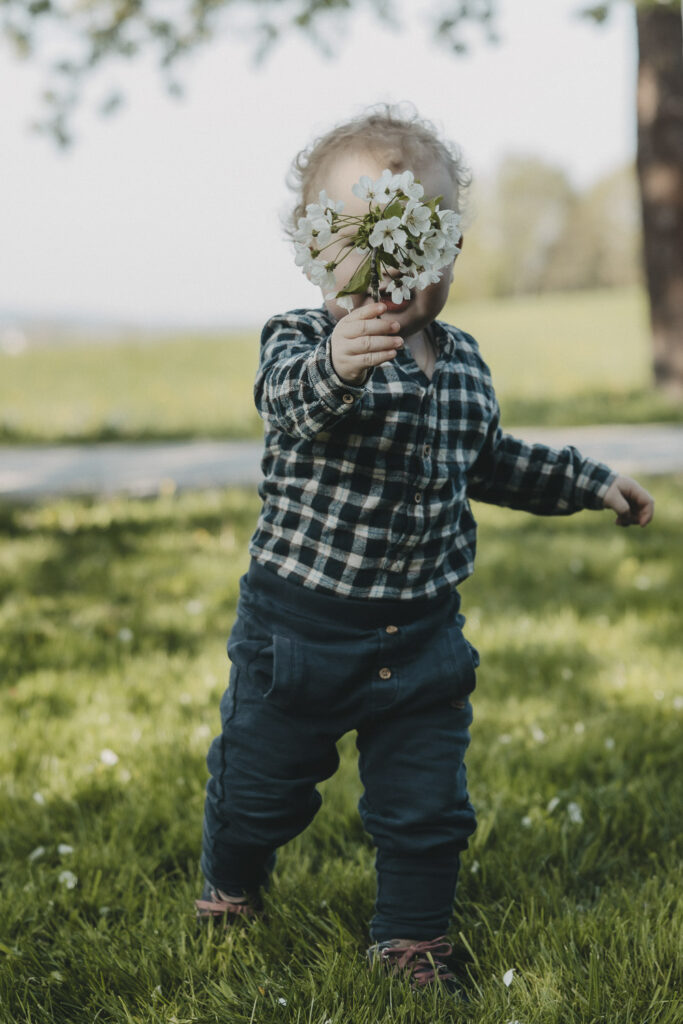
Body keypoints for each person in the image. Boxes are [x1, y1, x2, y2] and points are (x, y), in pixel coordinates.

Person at [195, 106, 654, 997]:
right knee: (262, 788)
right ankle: (232, 883)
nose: (393, 269)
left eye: (418, 240)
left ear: (449, 250)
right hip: (298, 632)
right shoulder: (299, 342)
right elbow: (289, 404)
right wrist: (339, 364)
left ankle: (410, 939)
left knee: (426, 804)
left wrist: (587, 481)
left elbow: (488, 458)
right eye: (363, 242)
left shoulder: (465, 362)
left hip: (422, 638)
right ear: (319, 252)